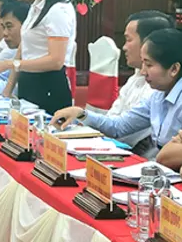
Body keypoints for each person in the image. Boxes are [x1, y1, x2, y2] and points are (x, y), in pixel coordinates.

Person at [52, 29, 182, 161]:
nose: (143, 72)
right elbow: (118, 127)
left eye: (149, 65)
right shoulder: (157, 96)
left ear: (174, 69)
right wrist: (80, 113)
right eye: (143, 63)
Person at [105, 11, 175, 147]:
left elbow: (125, 133)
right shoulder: (135, 77)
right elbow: (112, 120)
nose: (124, 47)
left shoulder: (159, 87)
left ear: (149, 43)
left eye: (129, 40)